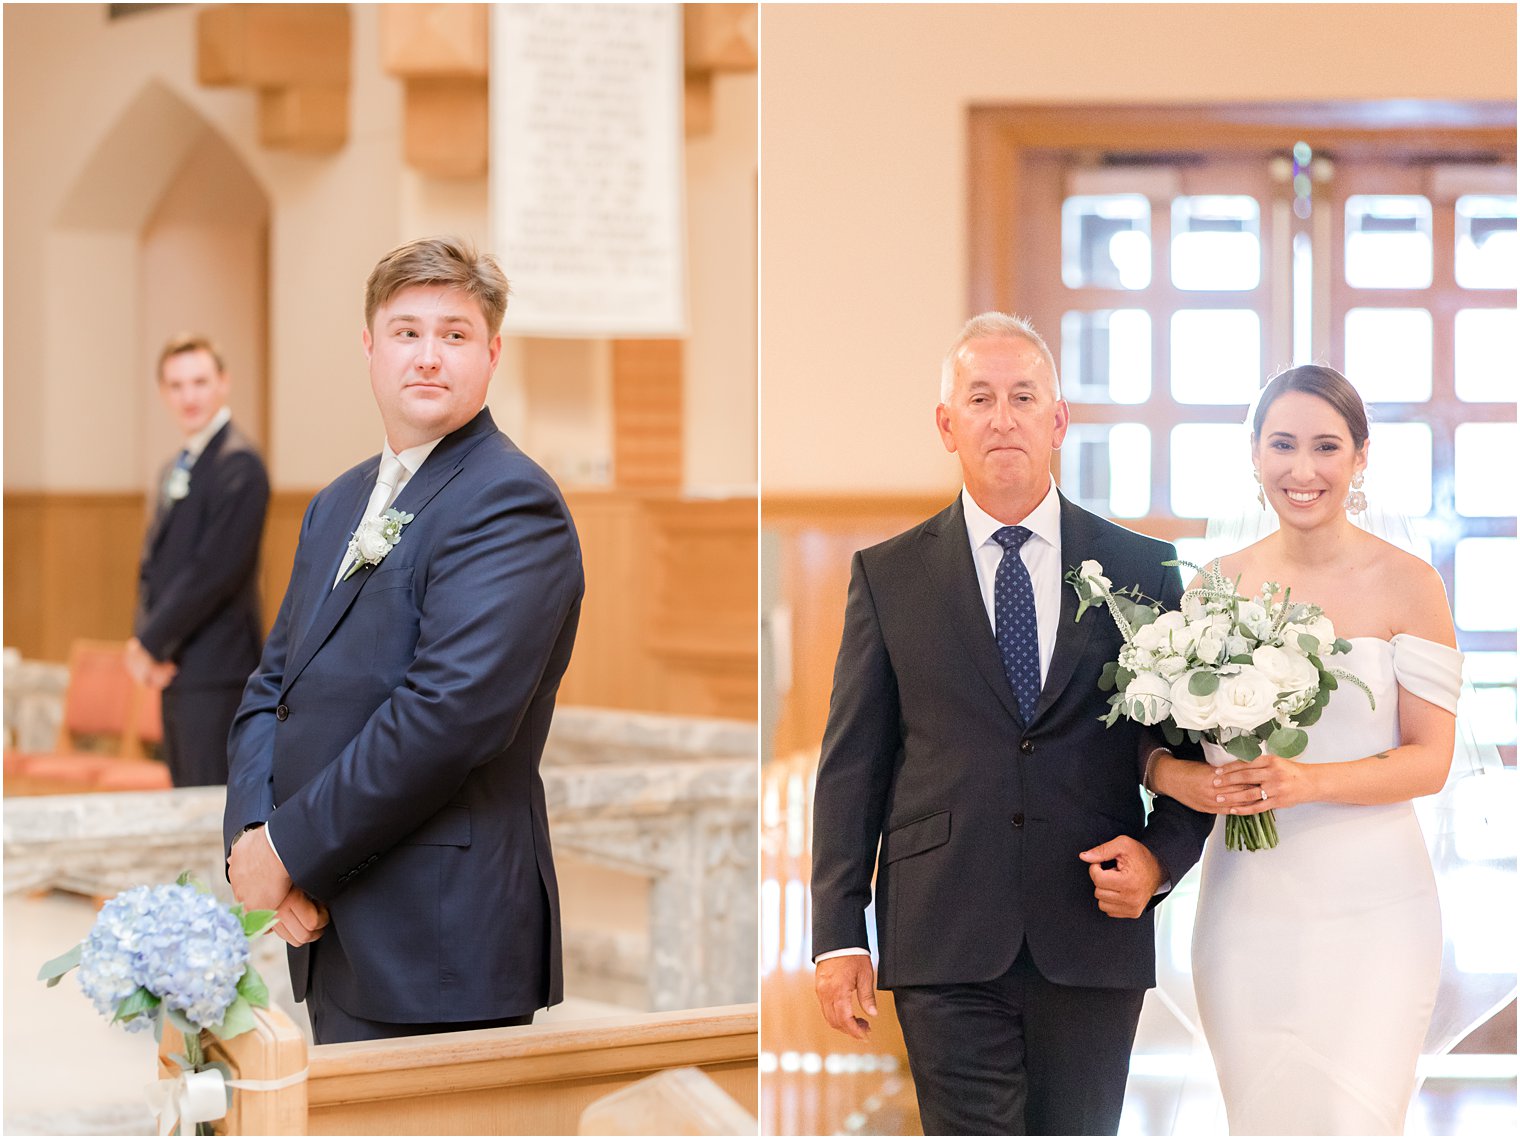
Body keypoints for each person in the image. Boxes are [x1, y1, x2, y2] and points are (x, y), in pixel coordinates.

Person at [809, 312, 1215, 1135]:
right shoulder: (887, 577)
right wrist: (837, 934)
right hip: (942, 928)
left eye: (1024, 396)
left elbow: (1188, 750)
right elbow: (853, 765)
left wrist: (1162, 857)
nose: (1003, 416)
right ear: (946, 424)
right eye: (981, 397)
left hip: (1092, 928)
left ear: (1057, 420)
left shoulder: (1143, 570)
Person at [223, 236, 584, 1045]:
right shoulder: (337, 501)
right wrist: (255, 840)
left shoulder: (511, 502)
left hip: (440, 937)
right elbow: (272, 686)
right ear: (369, 346)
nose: (428, 356)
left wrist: (290, 847)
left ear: (491, 354)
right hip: (332, 919)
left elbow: (446, 714)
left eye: (454, 335)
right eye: (406, 332)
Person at [1146, 365, 1459, 1135]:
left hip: (1378, 914)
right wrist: (1181, 777)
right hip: (1246, 911)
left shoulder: (1410, 583)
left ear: (1359, 458)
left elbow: (1430, 758)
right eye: (1282, 444)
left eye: (1326, 446)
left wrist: (1306, 777)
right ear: (1254, 453)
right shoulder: (1215, 585)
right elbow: (1158, 749)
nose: (1303, 468)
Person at [130, 335, 269, 786]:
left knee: (209, 807)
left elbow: (214, 572)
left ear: (223, 383)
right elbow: (154, 564)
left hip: (219, 669)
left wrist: (150, 642)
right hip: (178, 669)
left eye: (199, 382)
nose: (188, 396)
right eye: (176, 385)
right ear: (163, 393)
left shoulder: (240, 465)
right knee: (181, 802)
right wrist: (148, 640)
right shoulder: (176, 466)